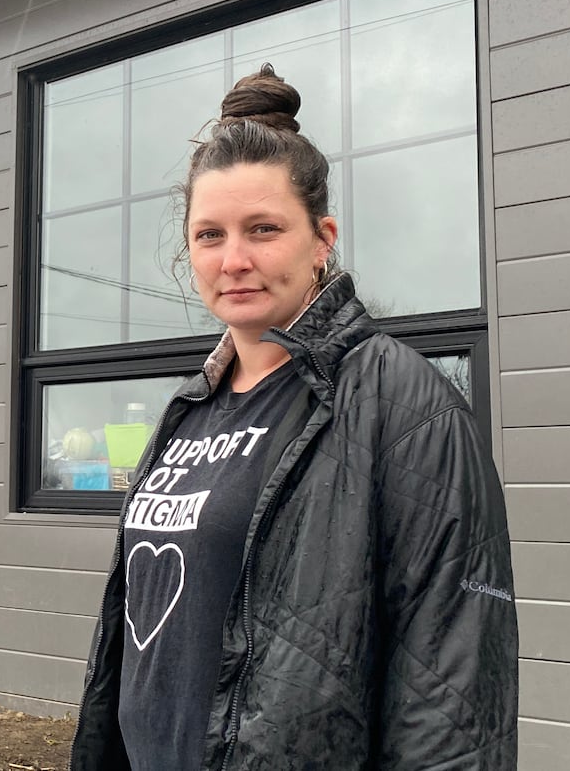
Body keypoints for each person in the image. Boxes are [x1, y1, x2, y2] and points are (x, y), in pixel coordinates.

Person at [69, 64, 518, 770]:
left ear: (321, 238)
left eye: (264, 229)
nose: (234, 259)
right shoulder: (189, 408)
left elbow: (452, 691)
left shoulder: (406, 407)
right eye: (209, 235)